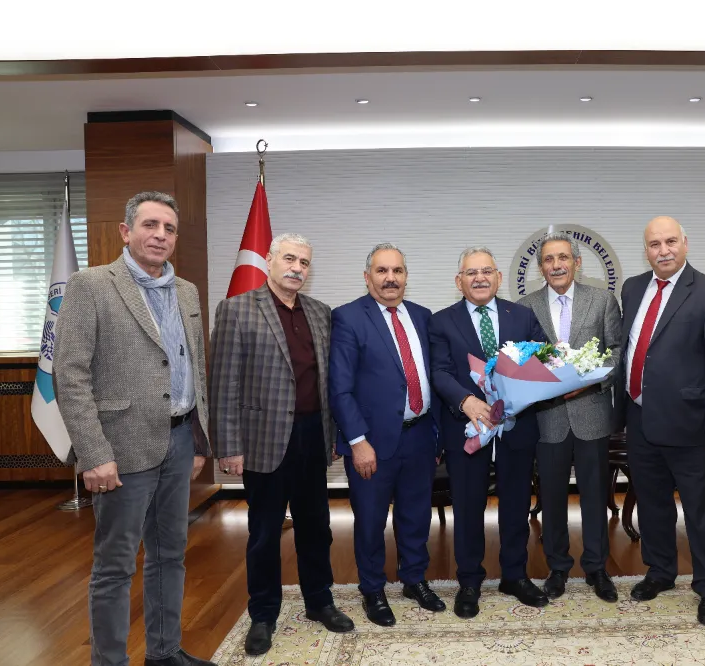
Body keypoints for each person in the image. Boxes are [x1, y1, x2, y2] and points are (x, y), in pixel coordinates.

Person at [54, 191, 215, 666]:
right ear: (126, 232)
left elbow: (194, 368)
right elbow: (70, 374)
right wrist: (94, 454)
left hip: (179, 440)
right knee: (116, 565)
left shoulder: (186, 291)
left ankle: (163, 653)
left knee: (170, 555)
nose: (160, 235)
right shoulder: (91, 285)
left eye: (169, 228)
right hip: (120, 448)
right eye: (150, 225)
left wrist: (198, 439)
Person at [209, 233, 354, 657]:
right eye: (289, 259)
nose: (297, 268)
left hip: (312, 435)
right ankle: (263, 613)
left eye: (304, 262)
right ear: (269, 260)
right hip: (263, 440)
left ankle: (319, 600)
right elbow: (223, 383)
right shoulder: (237, 309)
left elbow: (328, 380)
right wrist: (229, 446)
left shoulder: (320, 312)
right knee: (264, 532)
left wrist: (332, 434)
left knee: (317, 526)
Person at [617, 215, 705, 626]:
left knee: (703, 510)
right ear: (646, 250)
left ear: (685, 243)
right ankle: (660, 571)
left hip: (691, 424)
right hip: (640, 418)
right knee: (652, 504)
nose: (663, 250)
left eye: (670, 242)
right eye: (655, 244)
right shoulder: (633, 288)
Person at [428, 246, 549, 618]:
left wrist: (520, 392)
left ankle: (515, 575)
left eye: (486, 271)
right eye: (471, 273)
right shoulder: (441, 321)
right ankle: (469, 581)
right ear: (459, 281)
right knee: (468, 506)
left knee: (516, 504)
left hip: (516, 428)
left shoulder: (522, 316)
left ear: (498, 277)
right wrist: (466, 400)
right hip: (467, 428)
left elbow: (544, 360)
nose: (479, 278)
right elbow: (439, 371)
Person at [328, 243, 445, 627]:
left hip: (420, 435)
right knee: (370, 520)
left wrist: (437, 436)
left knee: (416, 515)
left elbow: (434, 377)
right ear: (367, 277)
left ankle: (414, 579)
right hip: (372, 442)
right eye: (382, 271)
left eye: (397, 271)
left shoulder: (422, 316)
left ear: (406, 277)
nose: (390, 278)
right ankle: (373, 589)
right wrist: (357, 441)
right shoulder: (348, 317)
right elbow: (340, 388)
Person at [518, 231, 622, 602]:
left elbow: (616, 353)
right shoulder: (525, 306)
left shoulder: (603, 300)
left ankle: (597, 568)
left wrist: (588, 380)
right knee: (551, 497)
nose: (556, 265)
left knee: (595, 495)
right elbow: (522, 360)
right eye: (548, 259)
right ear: (540, 267)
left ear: (577, 263)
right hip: (547, 419)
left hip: (592, 412)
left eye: (563, 257)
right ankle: (558, 567)